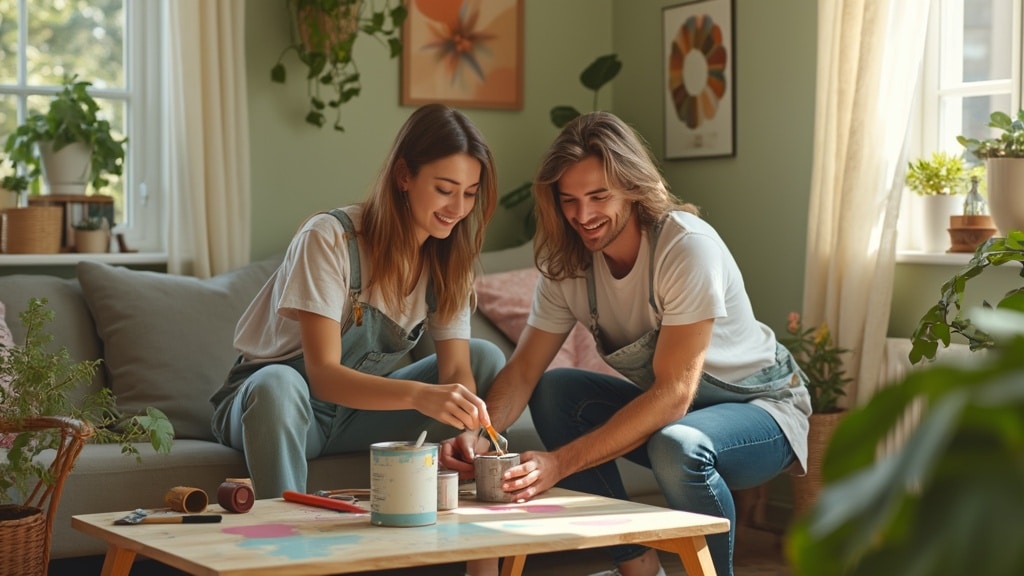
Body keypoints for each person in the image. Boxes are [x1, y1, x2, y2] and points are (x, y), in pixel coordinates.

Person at [441, 111, 811, 576]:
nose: (583, 215)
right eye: (569, 200)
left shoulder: (685, 248)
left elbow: (674, 396)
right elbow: (521, 372)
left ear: (634, 189)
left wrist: (558, 464)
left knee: (678, 445)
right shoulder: (567, 266)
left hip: (764, 411)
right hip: (681, 415)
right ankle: (637, 567)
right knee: (556, 393)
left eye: (599, 196)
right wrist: (479, 433)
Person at [210, 103, 505, 505]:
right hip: (273, 407)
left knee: (486, 358)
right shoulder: (331, 239)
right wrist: (420, 396)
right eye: (444, 189)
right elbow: (324, 376)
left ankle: (430, 519)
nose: (458, 209)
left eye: (470, 194)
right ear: (404, 175)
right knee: (278, 384)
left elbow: (457, 371)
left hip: (351, 417)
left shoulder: (448, 260)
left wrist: (467, 431)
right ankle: (287, 543)